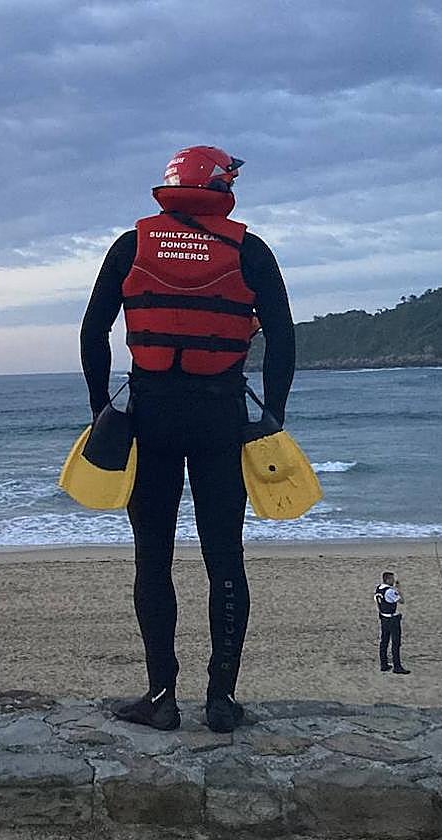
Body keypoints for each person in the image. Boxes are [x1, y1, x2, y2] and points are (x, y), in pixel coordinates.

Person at [79, 146, 296, 733]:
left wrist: (102, 409)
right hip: (221, 415)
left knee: (153, 557)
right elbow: (281, 335)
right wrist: (271, 414)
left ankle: (161, 697)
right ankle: (221, 701)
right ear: (222, 186)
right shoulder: (249, 250)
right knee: (225, 558)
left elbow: (93, 330)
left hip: (150, 415)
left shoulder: (132, 245)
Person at [375, 571, 410, 674]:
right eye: (392, 579)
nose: (393, 581)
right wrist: (399, 589)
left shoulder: (378, 589)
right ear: (388, 579)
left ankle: (384, 664)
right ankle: (397, 666)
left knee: (384, 641)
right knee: (395, 643)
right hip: (391, 619)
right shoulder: (389, 591)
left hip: (383, 617)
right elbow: (401, 601)